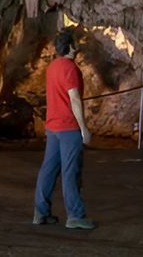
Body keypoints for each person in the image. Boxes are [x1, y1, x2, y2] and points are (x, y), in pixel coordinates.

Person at [33, 29, 96, 229]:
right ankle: (75, 215)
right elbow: (74, 99)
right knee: (71, 171)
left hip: (53, 127)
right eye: (75, 43)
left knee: (48, 170)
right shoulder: (70, 68)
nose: (77, 46)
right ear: (70, 47)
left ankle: (40, 212)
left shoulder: (52, 67)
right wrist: (83, 128)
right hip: (68, 127)